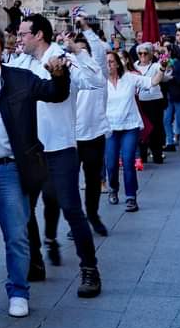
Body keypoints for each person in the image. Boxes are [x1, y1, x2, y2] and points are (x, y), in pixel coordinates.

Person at [0, 25, 70, 318]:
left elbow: (55, 93)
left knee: (17, 235)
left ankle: (18, 291)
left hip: (9, 169)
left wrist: (59, 73)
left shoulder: (20, 79)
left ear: (2, 49)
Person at [11, 14, 104, 297]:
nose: (19, 37)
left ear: (39, 35)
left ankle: (90, 270)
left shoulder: (62, 58)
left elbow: (95, 81)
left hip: (60, 148)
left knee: (72, 210)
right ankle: (35, 261)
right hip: (30, 151)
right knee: (24, 210)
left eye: (24, 33)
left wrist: (79, 52)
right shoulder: (20, 63)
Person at [70, 33, 110, 243]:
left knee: (93, 180)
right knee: (70, 182)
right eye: (76, 51)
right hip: (72, 137)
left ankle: (93, 215)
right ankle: (77, 221)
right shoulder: (69, 71)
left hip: (95, 134)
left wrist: (86, 29)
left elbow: (100, 50)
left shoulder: (98, 70)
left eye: (82, 51)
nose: (79, 54)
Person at [105, 50, 150, 213]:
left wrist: (163, 67)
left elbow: (151, 82)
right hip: (110, 128)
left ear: (117, 63)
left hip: (130, 126)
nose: (108, 65)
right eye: (105, 62)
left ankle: (131, 197)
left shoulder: (129, 78)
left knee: (128, 160)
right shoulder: (100, 82)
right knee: (110, 163)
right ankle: (113, 188)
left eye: (110, 61)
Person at [135, 42, 169, 162]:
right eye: (140, 53)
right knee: (142, 128)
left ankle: (157, 154)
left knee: (156, 128)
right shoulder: (134, 66)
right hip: (140, 101)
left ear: (150, 54)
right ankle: (143, 154)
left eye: (145, 53)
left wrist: (163, 54)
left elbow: (164, 68)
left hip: (154, 100)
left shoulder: (155, 65)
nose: (142, 56)